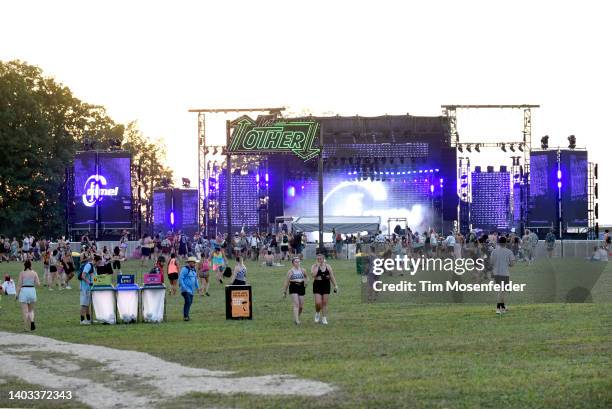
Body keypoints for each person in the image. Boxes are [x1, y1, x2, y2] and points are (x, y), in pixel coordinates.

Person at [490, 236, 516, 314]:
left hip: (496, 273)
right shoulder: (509, 252)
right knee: (502, 291)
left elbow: (491, 263)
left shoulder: (494, 251)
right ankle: (498, 308)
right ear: (505, 243)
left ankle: (503, 306)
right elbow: (512, 264)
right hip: (504, 273)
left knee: (501, 291)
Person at [310, 253, 338, 325]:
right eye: (318, 259)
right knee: (318, 303)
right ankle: (317, 312)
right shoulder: (314, 266)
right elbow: (313, 275)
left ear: (323, 259)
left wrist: (335, 285)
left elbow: (331, 276)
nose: (319, 260)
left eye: (320, 259)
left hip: (326, 284)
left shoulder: (328, 266)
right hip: (317, 284)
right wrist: (317, 266)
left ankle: (324, 318)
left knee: (325, 302)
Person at [16, 260, 41, 331]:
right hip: (32, 291)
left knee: (25, 311)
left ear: (24, 265)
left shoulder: (22, 273)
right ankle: (32, 321)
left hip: (24, 291)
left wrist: (17, 294)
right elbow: (38, 284)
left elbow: (19, 285)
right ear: (31, 265)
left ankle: (25, 327)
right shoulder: (34, 273)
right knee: (31, 310)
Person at [282, 257, 308, 325]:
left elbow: (306, 277)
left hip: (301, 286)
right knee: (296, 304)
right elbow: (287, 282)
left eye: (299, 261)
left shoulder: (303, 270)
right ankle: (297, 320)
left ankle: (297, 317)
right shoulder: (290, 271)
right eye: (296, 262)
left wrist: (306, 282)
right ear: (293, 263)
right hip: (293, 286)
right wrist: (284, 292)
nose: (298, 263)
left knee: (301, 306)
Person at [179, 256, 199, 321]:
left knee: (189, 302)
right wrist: (184, 287)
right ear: (190, 263)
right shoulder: (184, 269)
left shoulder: (194, 270)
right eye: (194, 263)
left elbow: (196, 280)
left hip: (191, 290)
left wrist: (198, 288)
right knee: (188, 301)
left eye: (195, 263)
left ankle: (186, 315)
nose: (195, 264)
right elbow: (181, 278)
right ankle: (185, 316)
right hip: (185, 290)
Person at [79, 255, 98, 325]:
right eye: (99, 262)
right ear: (96, 261)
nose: (99, 264)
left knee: (87, 304)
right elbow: (82, 276)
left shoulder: (93, 267)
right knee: (83, 304)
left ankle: (88, 319)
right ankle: (82, 320)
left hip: (88, 288)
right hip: (85, 288)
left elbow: (94, 277)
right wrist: (89, 283)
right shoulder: (88, 266)